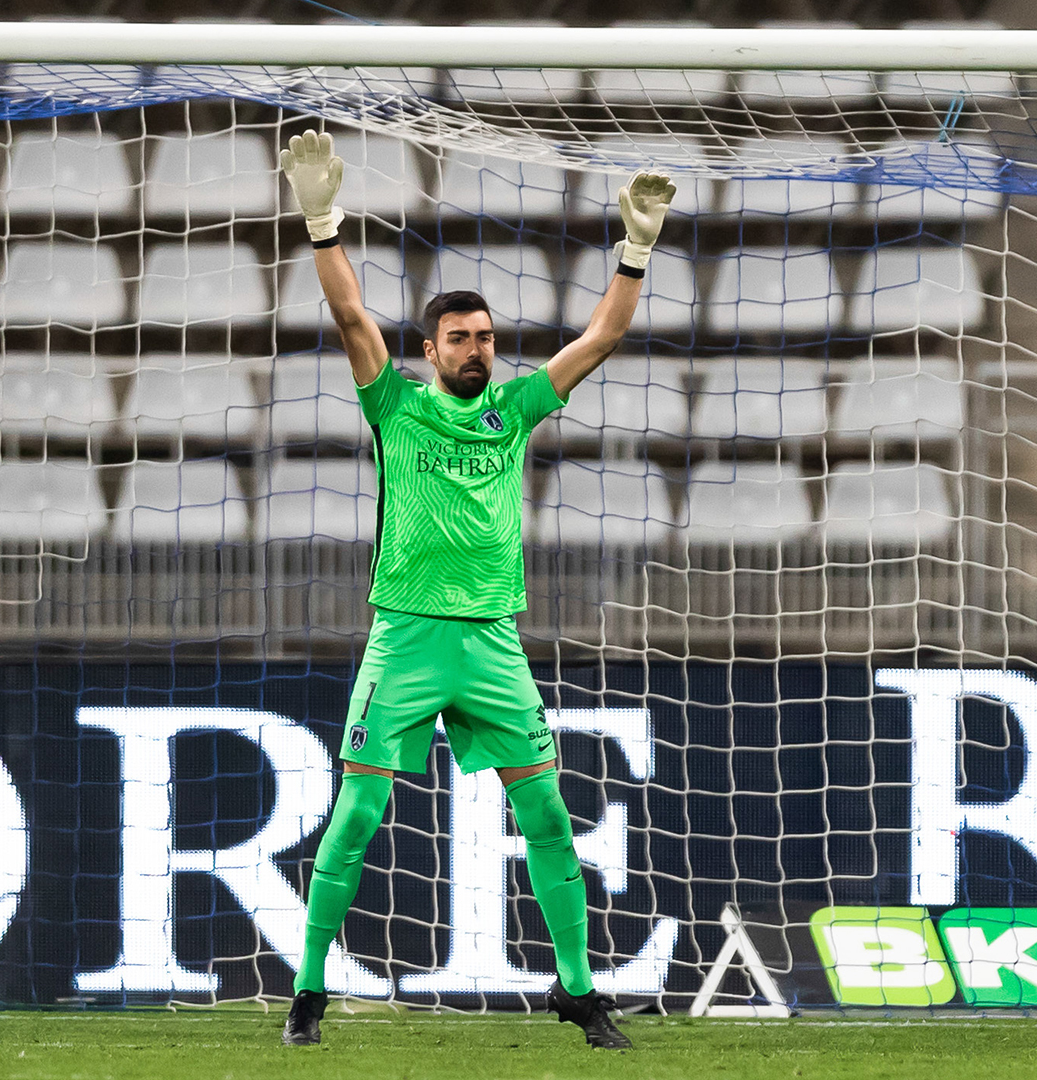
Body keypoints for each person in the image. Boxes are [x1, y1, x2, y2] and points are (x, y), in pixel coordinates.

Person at [274, 129, 673, 1050]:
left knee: (547, 815)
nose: (477, 349)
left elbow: (606, 333)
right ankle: (307, 988)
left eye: (487, 337)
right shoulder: (397, 405)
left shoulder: (517, 406)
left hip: (493, 640)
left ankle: (577, 992)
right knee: (359, 815)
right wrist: (323, 221)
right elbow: (347, 318)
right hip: (407, 636)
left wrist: (636, 249)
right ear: (429, 348)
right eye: (460, 338)